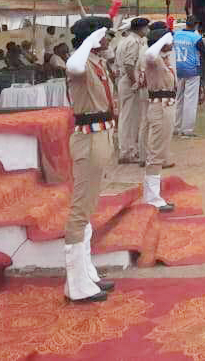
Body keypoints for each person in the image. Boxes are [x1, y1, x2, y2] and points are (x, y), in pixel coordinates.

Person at [63, 16, 118, 302]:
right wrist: (89, 39)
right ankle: (76, 286)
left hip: (101, 134)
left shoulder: (96, 61)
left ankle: (86, 274)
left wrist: (97, 40)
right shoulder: (79, 62)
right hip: (88, 137)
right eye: (104, 35)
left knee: (89, 206)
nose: (108, 39)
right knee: (80, 209)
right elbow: (72, 64)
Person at [142, 27, 177, 212]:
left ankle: (153, 195)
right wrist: (162, 39)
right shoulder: (153, 58)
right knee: (155, 153)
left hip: (166, 105)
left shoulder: (162, 59)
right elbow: (149, 53)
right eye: (168, 40)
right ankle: (152, 198)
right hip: (160, 107)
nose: (172, 42)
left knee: (159, 152)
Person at [116, 18, 151, 164]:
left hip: (125, 79)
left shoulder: (125, 40)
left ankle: (130, 149)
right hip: (129, 80)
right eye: (146, 28)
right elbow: (129, 65)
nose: (147, 30)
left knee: (129, 116)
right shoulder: (133, 42)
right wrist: (136, 82)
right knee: (129, 117)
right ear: (141, 28)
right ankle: (126, 152)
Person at [173, 16, 205, 137]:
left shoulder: (176, 35)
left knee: (178, 98)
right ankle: (187, 130)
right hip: (192, 70)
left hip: (178, 69)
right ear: (196, 25)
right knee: (190, 100)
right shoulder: (196, 37)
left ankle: (175, 127)